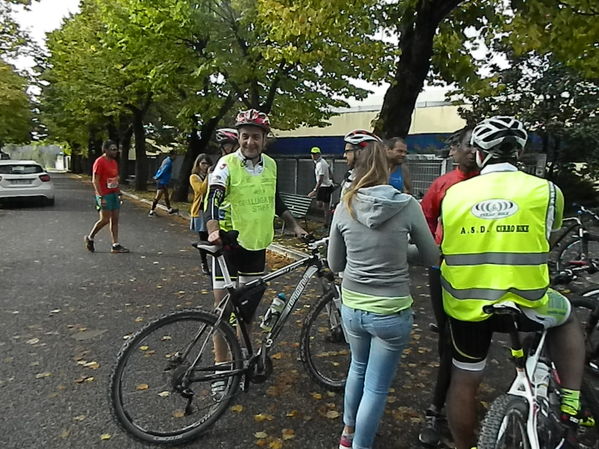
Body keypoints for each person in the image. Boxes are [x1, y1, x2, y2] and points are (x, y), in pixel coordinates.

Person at [440, 116, 585, 449]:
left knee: (463, 381)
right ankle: (571, 404)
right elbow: (546, 232)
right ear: (519, 153)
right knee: (567, 315)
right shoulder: (547, 191)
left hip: (467, 304)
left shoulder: (455, 195)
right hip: (527, 302)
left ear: (478, 153)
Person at [328, 129, 439, 449]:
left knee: (357, 368)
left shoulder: (344, 205)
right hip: (391, 312)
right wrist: (397, 250)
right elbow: (431, 257)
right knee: (376, 387)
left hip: (352, 308)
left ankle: (347, 435)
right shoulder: (407, 205)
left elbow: (335, 263)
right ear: (385, 163)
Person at [205, 109, 308, 396]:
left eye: (256, 137)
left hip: (256, 246)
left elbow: (275, 199)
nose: (250, 142)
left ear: (265, 140)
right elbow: (212, 198)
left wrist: (295, 225)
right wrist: (213, 228)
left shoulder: (272, 166)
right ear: (238, 137)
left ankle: (238, 366)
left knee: (246, 316)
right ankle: (219, 370)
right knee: (223, 313)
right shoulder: (226, 164)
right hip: (227, 246)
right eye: (245, 136)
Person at [417, 127, 479, 447]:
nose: (471, 151)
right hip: (444, 271)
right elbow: (426, 218)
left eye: (476, 146)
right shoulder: (443, 184)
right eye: (466, 146)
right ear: (454, 150)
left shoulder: (490, 184)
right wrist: (435, 250)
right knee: (447, 342)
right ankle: (435, 410)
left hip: (485, 275)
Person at [84, 140, 129, 254]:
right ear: (106, 150)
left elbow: (114, 179)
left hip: (113, 194)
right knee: (104, 220)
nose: (115, 151)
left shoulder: (114, 162)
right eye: (113, 149)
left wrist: (118, 192)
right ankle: (90, 237)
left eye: (116, 149)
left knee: (115, 220)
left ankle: (115, 244)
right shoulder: (99, 162)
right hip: (104, 194)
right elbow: (95, 180)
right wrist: (101, 196)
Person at [189, 153, 213, 275]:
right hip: (200, 211)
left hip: (211, 209)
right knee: (203, 239)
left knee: (213, 238)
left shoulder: (212, 176)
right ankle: (204, 263)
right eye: (203, 163)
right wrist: (209, 176)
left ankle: (215, 263)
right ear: (198, 164)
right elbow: (201, 190)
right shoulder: (194, 177)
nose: (205, 166)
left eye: (207, 163)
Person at [308, 146, 335, 225]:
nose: (313, 156)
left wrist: (315, 190)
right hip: (323, 186)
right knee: (320, 204)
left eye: (315, 154)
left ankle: (326, 223)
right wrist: (333, 178)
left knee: (325, 206)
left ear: (319, 154)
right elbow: (329, 170)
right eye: (312, 154)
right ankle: (326, 220)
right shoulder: (321, 162)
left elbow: (321, 178)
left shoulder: (321, 164)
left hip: (325, 187)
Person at [148, 150, 178, 216]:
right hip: (162, 181)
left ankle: (169, 209)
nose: (176, 157)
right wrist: (157, 177)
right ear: (172, 155)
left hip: (164, 181)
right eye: (175, 155)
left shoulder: (166, 160)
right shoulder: (169, 162)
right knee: (158, 196)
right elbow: (163, 170)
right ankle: (151, 210)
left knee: (166, 195)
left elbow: (160, 168)